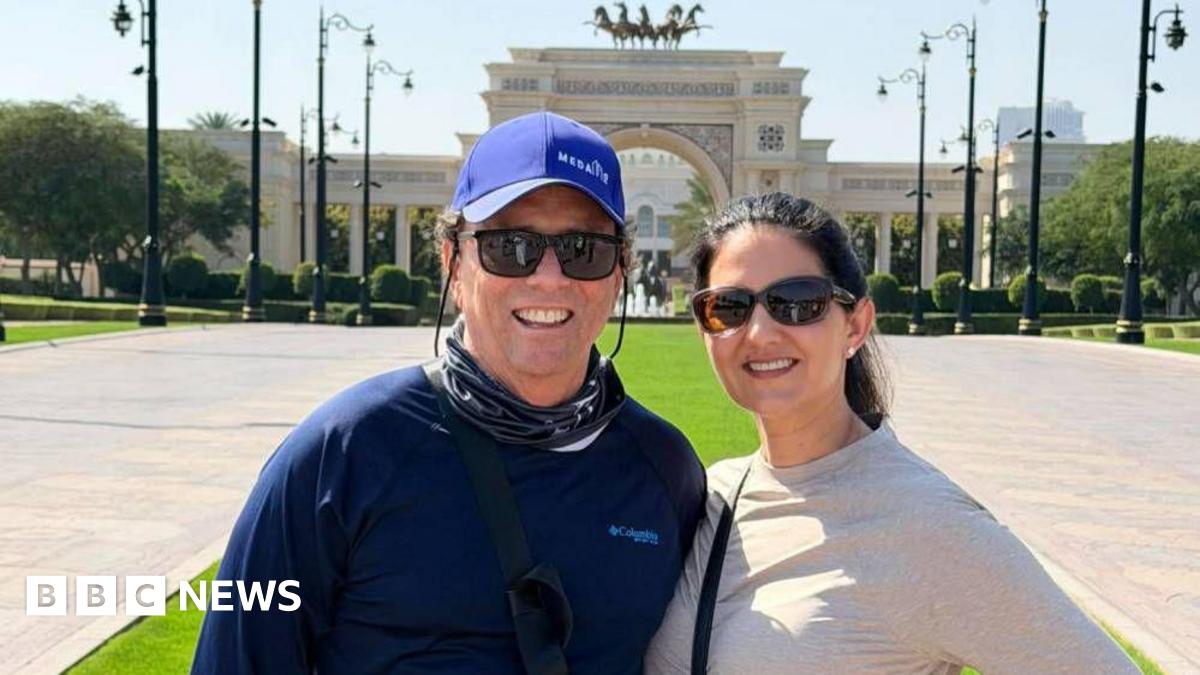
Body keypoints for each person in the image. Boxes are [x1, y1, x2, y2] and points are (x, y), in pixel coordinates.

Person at [192, 111, 706, 674]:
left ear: (620, 272)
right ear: (452, 264)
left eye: (584, 250)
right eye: (511, 247)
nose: (551, 278)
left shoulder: (663, 469)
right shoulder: (343, 452)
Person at [645, 192, 1137, 674]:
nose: (759, 333)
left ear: (855, 326)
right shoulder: (715, 494)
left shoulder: (929, 525)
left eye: (797, 302)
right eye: (729, 308)